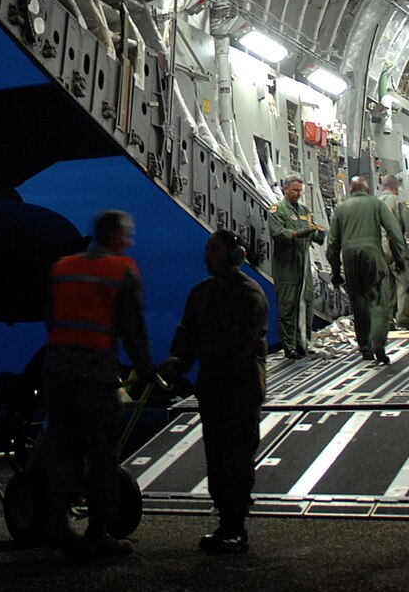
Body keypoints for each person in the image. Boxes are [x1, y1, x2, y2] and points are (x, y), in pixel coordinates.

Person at [40, 209, 157, 559]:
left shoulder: (61, 268)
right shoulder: (122, 271)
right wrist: (146, 369)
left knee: (64, 446)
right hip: (95, 374)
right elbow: (133, 328)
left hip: (58, 371)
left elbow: (50, 316)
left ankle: (57, 524)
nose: (131, 240)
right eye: (128, 233)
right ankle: (98, 532)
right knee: (104, 452)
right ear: (115, 236)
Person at [163, 229, 268, 554]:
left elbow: (239, 344)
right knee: (216, 457)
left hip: (240, 388)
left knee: (236, 458)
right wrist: (173, 366)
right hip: (213, 388)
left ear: (235, 255)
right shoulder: (201, 294)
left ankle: (235, 527)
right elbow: (185, 336)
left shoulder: (250, 295)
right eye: (207, 249)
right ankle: (225, 522)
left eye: (215, 249)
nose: (208, 256)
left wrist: (198, 353)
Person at [325, 176, 409, 363]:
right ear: (368, 189)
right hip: (373, 255)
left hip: (350, 258)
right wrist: (399, 259)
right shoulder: (376, 204)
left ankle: (365, 348)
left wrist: (335, 271)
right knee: (379, 300)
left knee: (359, 303)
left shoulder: (340, 209)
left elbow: (332, 244)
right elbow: (394, 232)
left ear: (350, 190)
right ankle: (378, 343)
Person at [267, 176, 324, 358]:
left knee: (306, 305)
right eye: (295, 190)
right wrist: (299, 233)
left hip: (304, 269)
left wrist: (320, 234)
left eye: (300, 191)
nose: (298, 194)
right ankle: (289, 346)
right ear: (285, 189)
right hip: (286, 267)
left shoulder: (305, 211)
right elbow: (278, 233)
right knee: (287, 307)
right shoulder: (277, 210)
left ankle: (303, 343)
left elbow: (316, 238)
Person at [378, 173, 409, 329]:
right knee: (404, 282)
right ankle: (403, 317)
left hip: (378, 248)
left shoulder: (374, 203)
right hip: (396, 247)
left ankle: (386, 320)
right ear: (396, 188)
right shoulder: (400, 202)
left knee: (385, 285)